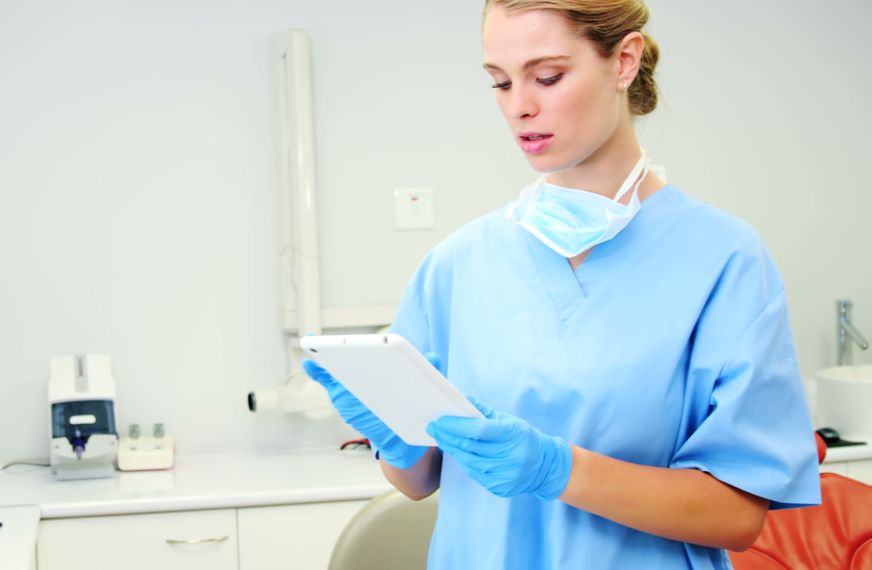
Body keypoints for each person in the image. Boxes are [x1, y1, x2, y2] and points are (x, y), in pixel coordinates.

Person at [303, 0, 821, 568]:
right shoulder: (457, 264)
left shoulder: (723, 260)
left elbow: (736, 516)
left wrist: (559, 469)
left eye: (547, 77)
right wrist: (395, 429)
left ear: (624, 61)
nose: (519, 107)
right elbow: (416, 480)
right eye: (500, 83)